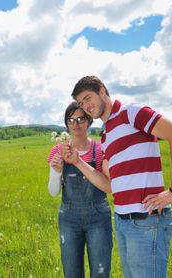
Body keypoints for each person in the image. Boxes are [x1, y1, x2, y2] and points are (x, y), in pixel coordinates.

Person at [63, 75, 172, 278]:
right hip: (122, 222)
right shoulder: (107, 134)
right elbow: (109, 185)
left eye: (88, 98)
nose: (85, 106)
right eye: (80, 102)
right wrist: (78, 162)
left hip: (146, 221)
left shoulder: (131, 112)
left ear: (102, 92)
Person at [47, 101, 113, 278]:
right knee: (72, 273)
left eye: (81, 118)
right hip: (69, 218)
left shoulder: (100, 149)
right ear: (67, 123)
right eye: (71, 119)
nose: (75, 123)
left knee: (100, 271)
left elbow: (108, 186)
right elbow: (53, 192)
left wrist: (78, 162)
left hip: (99, 217)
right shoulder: (58, 150)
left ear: (89, 120)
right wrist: (56, 172)